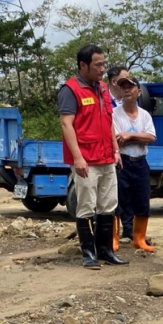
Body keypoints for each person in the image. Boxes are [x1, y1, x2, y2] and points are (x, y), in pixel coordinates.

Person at [58, 44, 128, 269]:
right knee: (86, 206)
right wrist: (78, 158)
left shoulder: (103, 88)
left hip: (107, 157)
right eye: (98, 65)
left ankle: (106, 251)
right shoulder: (70, 90)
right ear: (83, 65)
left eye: (103, 64)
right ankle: (89, 253)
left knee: (109, 205)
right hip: (86, 159)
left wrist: (116, 150)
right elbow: (66, 125)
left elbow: (108, 122)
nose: (102, 69)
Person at [113, 75, 157, 253]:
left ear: (138, 92)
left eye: (130, 87)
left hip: (140, 163)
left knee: (142, 201)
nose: (126, 90)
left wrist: (130, 136)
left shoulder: (145, 115)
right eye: (123, 87)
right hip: (121, 162)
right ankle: (114, 239)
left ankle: (139, 239)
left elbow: (152, 137)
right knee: (117, 201)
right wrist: (140, 138)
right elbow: (116, 140)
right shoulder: (115, 114)